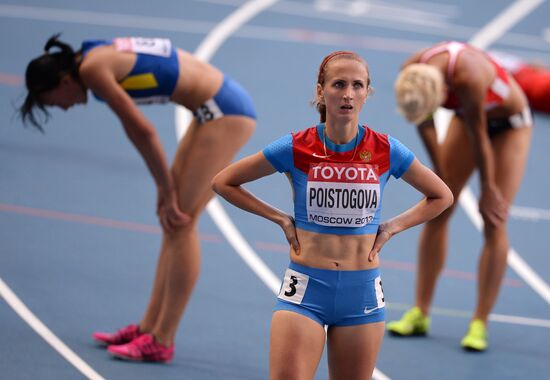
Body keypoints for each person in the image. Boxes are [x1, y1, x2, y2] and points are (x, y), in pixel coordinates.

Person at [212, 50, 452, 379]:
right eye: (339, 84)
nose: (348, 94)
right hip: (306, 289)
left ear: (368, 92)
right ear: (321, 91)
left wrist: (393, 227)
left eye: (358, 85)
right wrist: (280, 217)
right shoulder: (295, 147)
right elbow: (224, 182)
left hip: (362, 295)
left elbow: (441, 195)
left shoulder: (386, 149)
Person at [20, 35, 256, 362]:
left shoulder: (92, 69)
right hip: (212, 107)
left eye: (54, 100)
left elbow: (142, 131)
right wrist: (165, 188)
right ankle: (148, 328)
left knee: (181, 221)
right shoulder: (89, 54)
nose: (63, 106)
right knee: (172, 222)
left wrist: (165, 188)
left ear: (63, 81)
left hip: (224, 111)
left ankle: (162, 339)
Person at [391, 41, 533, 351]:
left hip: (509, 126)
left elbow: (479, 134)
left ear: (443, 91)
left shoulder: (467, 76)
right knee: (437, 208)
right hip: (467, 120)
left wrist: (489, 190)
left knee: (493, 218)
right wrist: (441, 176)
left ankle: (479, 322)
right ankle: (420, 312)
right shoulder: (412, 74)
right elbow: (425, 123)